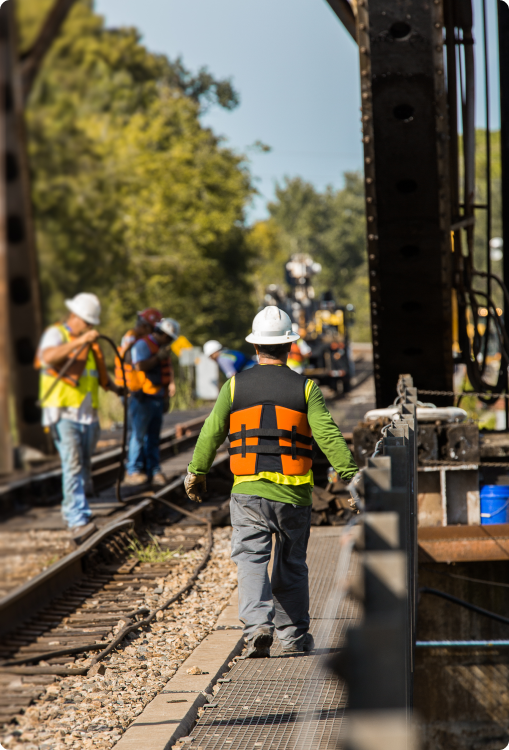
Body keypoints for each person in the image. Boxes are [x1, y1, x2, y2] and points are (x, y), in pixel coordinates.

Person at [184, 306, 358, 658]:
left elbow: (211, 433)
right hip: (294, 494)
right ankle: (293, 639)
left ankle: (257, 629)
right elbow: (328, 436)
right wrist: (352, 477)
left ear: (255, 346)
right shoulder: (306, 388)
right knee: (291, 563)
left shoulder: (234, 387)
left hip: (247, 492)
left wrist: (197, 473)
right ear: (290, 346)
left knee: (250, 559)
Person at [34, 293, 121, 542]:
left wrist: (117, 389)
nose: (90, 327)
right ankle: (76, 518)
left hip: (87, 416)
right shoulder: (56, 334)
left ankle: (75, 507)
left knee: (82, 464)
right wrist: (81, 340)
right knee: (72, 464)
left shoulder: (90, 343)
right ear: (75, 316)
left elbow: (98, 376)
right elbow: (47, 357)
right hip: (62, 413)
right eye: (87, 322)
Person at [124, 318, 179, 487]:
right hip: (142, 398)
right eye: (169, 338)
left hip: (156, 397)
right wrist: (157, 358)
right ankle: (133, 470)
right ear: (162, 333)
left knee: (153, 438)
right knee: (138, 437)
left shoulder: (160, 348)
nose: (169, 342)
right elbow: (139, 366)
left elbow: (165, 372)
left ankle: (153, 470)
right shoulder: (143, 345)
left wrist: (166, 397)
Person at [114, 308, 163, 391]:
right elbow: (129, 359)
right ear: (145, 326)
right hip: (129, 386)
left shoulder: (140, 338)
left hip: (136, 385)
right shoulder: (131, 337)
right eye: (153, 329)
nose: (153, 333)